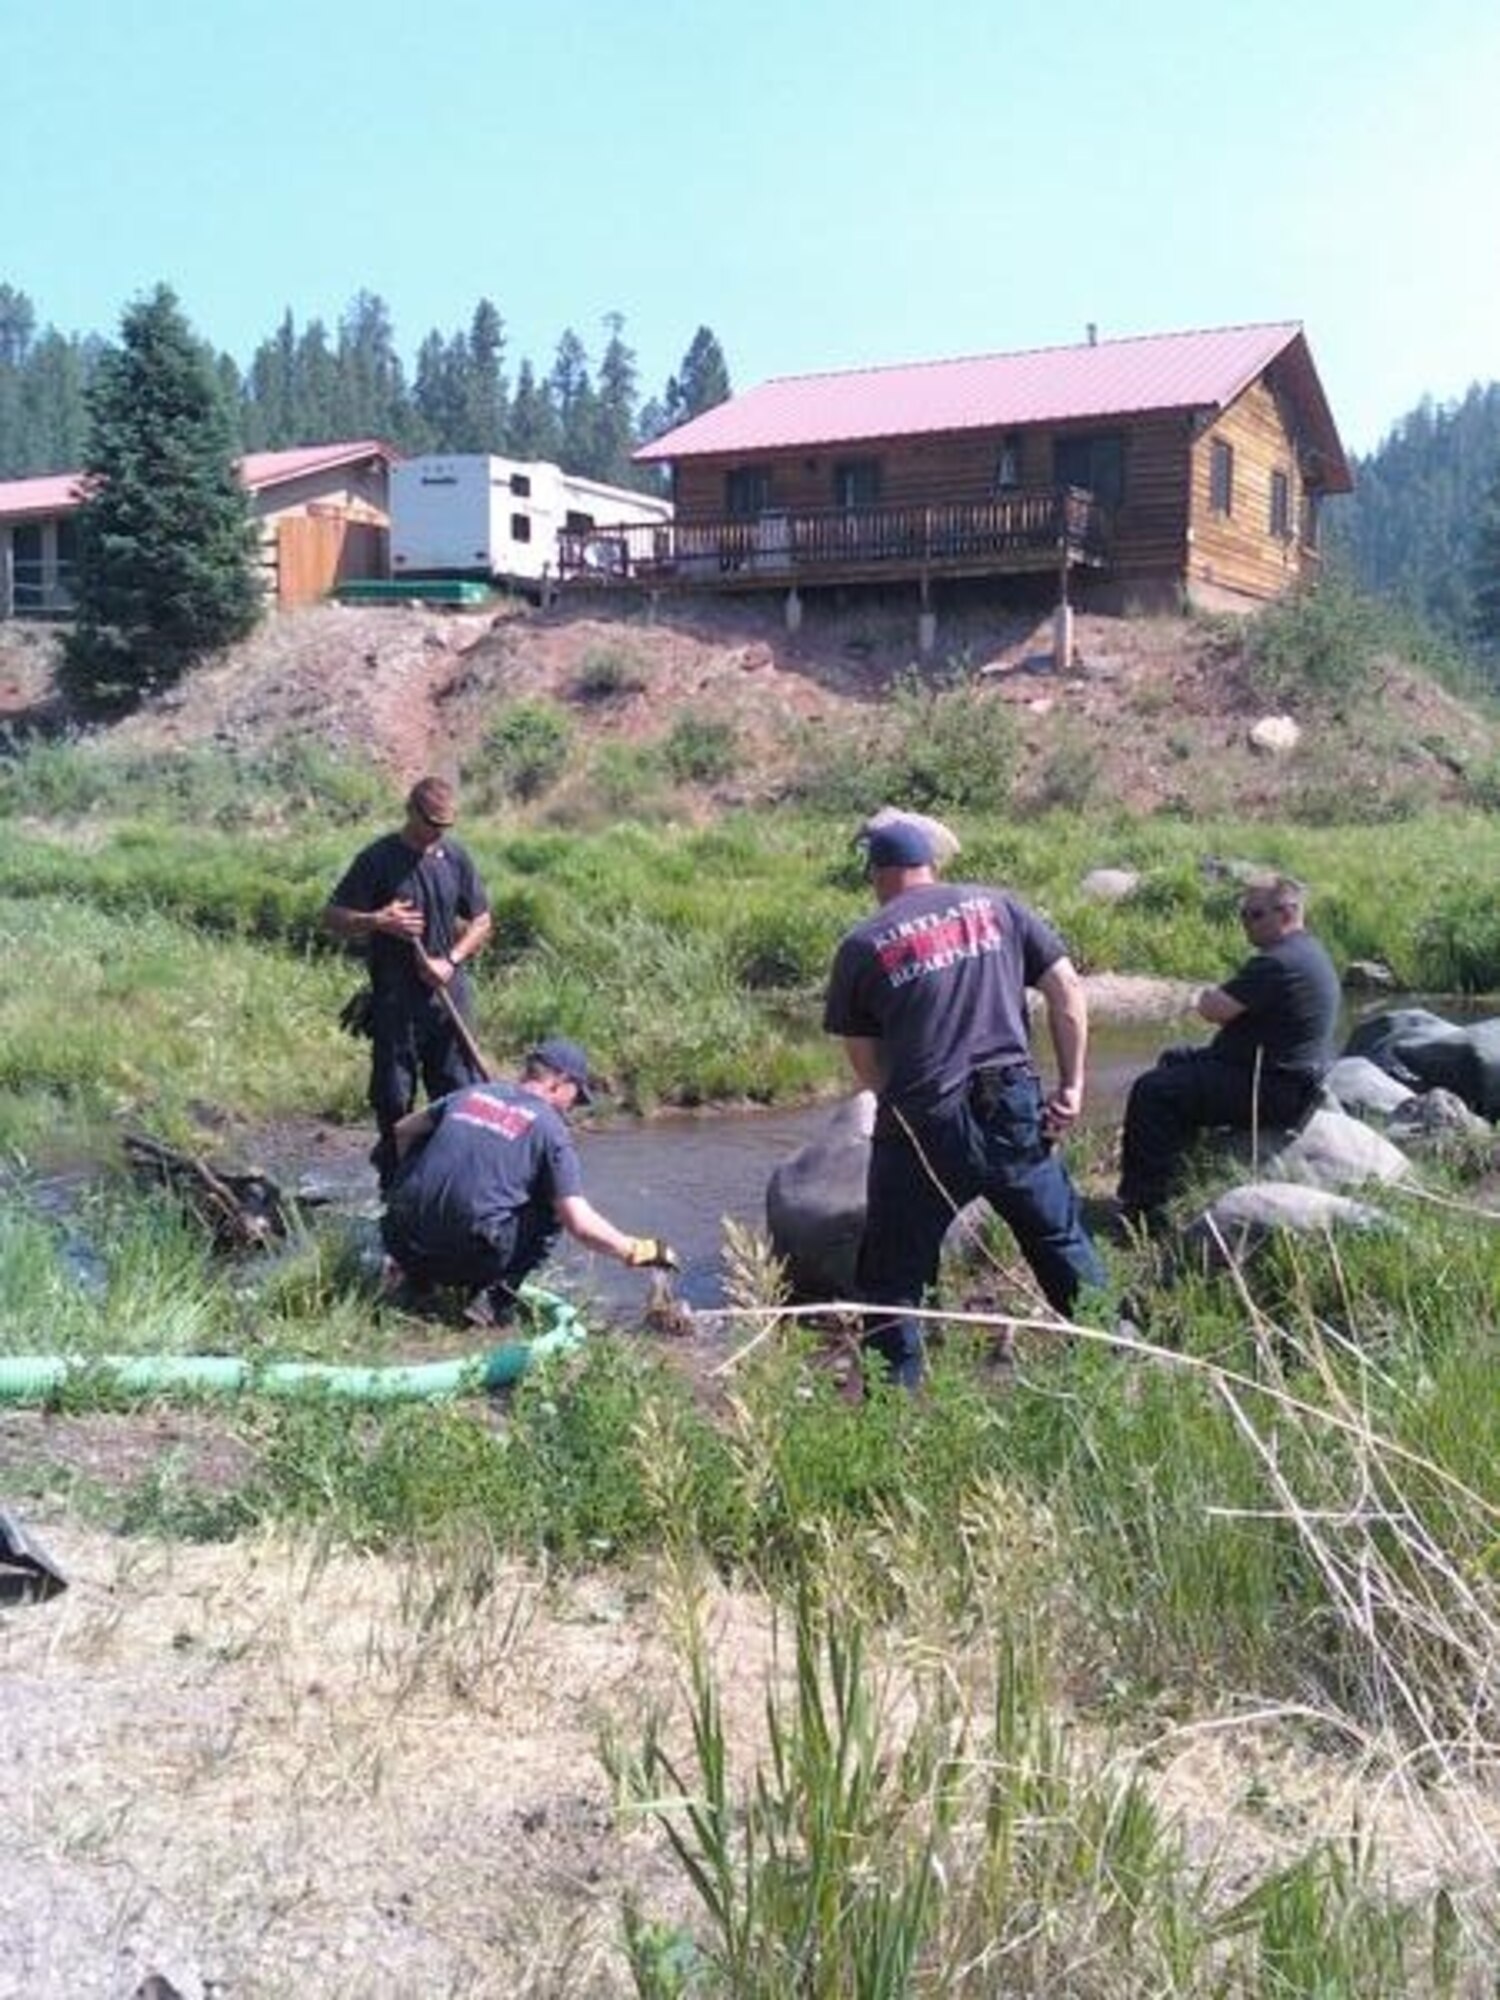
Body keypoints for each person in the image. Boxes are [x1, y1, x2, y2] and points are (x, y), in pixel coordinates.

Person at [822, 819, 1106, 1388]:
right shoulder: (998, 906)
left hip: (924, 1122)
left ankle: (895, 1406)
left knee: (894, 1278)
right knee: (1057, 1239)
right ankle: (1116, 1357)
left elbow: (862, 1054)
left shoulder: (862, 944)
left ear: (878, 875)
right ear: (931, 866)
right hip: (1011, 1104)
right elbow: (1067, 992)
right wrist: (1071, 1085)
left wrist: (893, 1103)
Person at [381, 1036, 679, 1326]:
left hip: (400, 1238)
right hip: (469, 1256)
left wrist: (411, 1184)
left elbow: (403, 1131)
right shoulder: (550, 1128)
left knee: (430, 1150)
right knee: (552, 1205)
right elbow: (579, 1222)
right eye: (575, 1095)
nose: (573, 1106)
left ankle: (415, 1281)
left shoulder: (471, 1094)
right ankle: (492, 1302)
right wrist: (635, 1250)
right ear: (558, 1082)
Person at [1116, 874, 1340, 1233]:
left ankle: (1146, 1208)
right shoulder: (1309, 951)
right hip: (1282, 1081)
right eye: (1243, 915)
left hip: (1269, 1090)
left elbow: (1215, 1009)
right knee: (1175, 1061)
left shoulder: (1277, 963)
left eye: (1254, 915)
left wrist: (1203, 996)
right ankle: (1175, 1176)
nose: (1245, 924)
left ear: (1286, 914)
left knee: (1152, 1090)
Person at [325, 776, 494, 1191]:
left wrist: (451, 960)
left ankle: (452, 1182)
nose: (439, 832)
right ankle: (396, 1185)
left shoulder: (455, 857)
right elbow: (332, 917)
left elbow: (482, 920)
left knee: (458, 1093)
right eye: (433, 823)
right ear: (411, 812)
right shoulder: (378, 859)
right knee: (394, 1096)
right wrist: (377, 920)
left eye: (446, 825)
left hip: (448, 995)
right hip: (395, 1000)